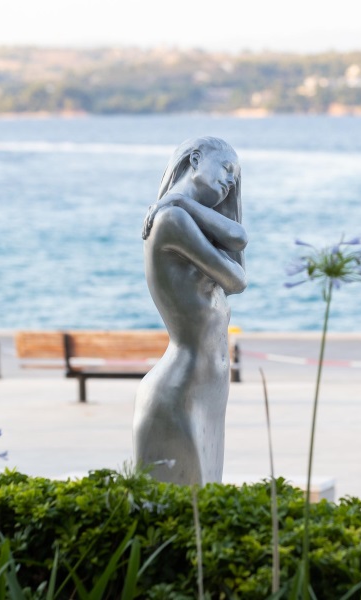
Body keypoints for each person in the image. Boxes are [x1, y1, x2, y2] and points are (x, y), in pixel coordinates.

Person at [133, 136, 248, 486]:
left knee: (206, 502)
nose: (230, 182)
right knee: (183, 509)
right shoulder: (171, 219)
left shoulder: (185, 213)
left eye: (235, 179)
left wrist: (186, 200)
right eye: (226, 169)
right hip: (180, 389)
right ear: (195, 159)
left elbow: (239, 239)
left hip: (208, 386)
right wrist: (179, 203)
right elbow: (236, 280)